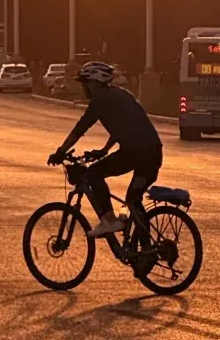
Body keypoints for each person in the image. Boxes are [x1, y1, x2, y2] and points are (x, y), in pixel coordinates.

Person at [47, 61, 163, 237]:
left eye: (85, 83)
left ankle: (109, 219)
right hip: (152, 153)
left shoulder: (100, 101)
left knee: (93, 174)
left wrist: (60, 152)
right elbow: (125, 127)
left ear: (94, 82)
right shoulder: (122, 95)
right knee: (133, 200)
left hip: (136, 153)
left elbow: (80, 129)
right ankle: (145, 252)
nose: (84, 87)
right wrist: (105, 150)